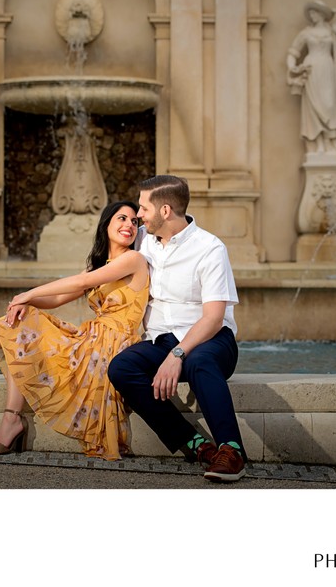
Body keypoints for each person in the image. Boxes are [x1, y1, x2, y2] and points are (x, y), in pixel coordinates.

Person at [0, 201, 148, 461]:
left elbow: (82, 282)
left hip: (113, 347)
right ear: (107, 224)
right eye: (122, 218)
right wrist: (25, 303)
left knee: (22, 332)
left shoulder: (133, 259)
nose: (129, 225)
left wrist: (28, 293)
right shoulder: (99, 265)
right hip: (92, 340)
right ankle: (6, 413)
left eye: (134, 221)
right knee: (20, 325)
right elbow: (58, 299)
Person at [107, 175, 246, 482]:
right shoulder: (142, 239)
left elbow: (212, 317)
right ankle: (196, 444)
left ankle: (232, 450)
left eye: (143, 208)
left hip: (210, 340)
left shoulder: (210, 248)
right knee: (121, 367)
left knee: (199, 360)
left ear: (165, 211)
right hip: (160, 340)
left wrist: (178, 354)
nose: (138, 215)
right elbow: (96, 269)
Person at [286, 0, 336, 155]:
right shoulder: (306, 33)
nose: (311, 15)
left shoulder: (332, 31)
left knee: (330, 104)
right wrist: (292, 67)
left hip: (327, 69)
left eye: (314, 12)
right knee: (314, 106)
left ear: (321, 14)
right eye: (310, 13)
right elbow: (293, 52)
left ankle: (332, 141)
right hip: (312, 69)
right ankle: (319, 143)